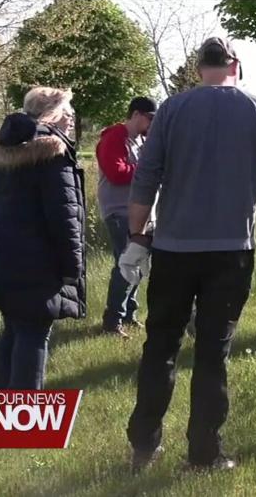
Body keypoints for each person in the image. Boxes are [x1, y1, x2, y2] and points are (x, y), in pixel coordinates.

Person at [120, 37, 256, 472]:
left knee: (160, 345)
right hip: (230, 253)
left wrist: (135, 237)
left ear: (199, 68)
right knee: (211, 353)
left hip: (171, 250)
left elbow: (145, 178)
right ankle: (204, 455)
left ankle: (143, 446)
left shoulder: (171, 109)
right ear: (235, 65)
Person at [0, 86, 85, 390]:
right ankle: (23, 424)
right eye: (68, 112)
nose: (72, 119)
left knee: (15, 332)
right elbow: (64, 215)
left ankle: (3, 417)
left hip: (1, 253)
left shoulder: (8, 148)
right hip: (36, 258)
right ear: (54, 113)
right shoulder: (53, 151)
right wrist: (73, 267)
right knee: (33, 334)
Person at [96, 96, 157, 338]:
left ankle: (128, 314)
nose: (152, 124)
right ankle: (112, 322)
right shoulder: (114, 137)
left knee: (139, 265)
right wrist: (147, 168)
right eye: (150, 118)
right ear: (136, 115)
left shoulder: (140, 140)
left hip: (139, 213)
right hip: (120, 211)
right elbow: (116, 172)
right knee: (126, 264)